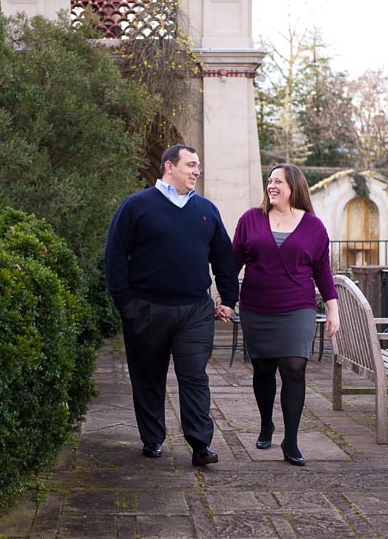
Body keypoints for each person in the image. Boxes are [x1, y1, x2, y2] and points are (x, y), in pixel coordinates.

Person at [105, 144, 239, 466]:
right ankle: (152, 439)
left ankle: (200, 444)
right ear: (169, 167)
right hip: (146, 309)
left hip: (195, 310)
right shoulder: (136, 206)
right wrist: (126, 304)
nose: (197, 171)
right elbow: (115, 256)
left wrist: (229, 299)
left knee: (194, 376)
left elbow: (223, 256)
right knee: (148, 377)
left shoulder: (206, 210)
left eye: (198, 166)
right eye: (191, 165)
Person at [230, 163, 339, 466]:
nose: (272, 186)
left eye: (278, 181)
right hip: (257, 307)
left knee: (293, 368)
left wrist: (333, 309)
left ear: (294, 187)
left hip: (297, 308)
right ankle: (267, 423)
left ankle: (290, 440)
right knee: (263, 369)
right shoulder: (251, 220)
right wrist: (225, 297)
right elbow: (233, 262)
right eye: (269, 181)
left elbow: (323, 271)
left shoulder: (314, 226)